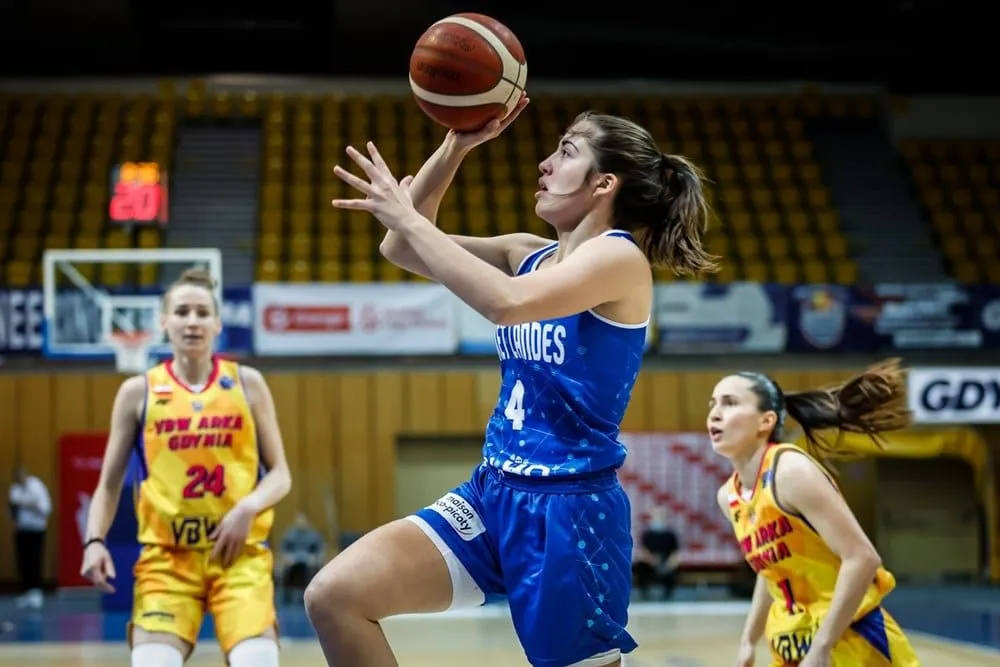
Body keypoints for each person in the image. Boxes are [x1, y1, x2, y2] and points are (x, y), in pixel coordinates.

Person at [304, 97, 720, 667]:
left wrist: (406, 214)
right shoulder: (526, 252)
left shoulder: (619, 259)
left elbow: (505, 303)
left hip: (568, 511)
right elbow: (400, 246)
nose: (545, 164)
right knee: (335, 595)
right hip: (491, 494)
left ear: (604, 184)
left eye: (566, 152)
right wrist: (455, 145)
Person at [79, 268, 292, 667]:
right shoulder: (138, 392)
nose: (192, 321)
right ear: (164, 321)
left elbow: (280, 474)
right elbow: (108, 486)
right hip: (168, 561)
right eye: (181, 312)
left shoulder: (247, 384)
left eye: (202, 312)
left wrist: (248, 506)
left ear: (218, 323)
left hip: (239, 558)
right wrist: (94, 542)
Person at [707, 360, 920, 667]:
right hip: (792, 643)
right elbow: (772, 572)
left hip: (851, 639)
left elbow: (862, 558)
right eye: (713, 403)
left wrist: (822, 646)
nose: (714, 413)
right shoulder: (729, 497)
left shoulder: (790, 471)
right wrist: (748, 641)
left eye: (730, 403)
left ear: (766, 421)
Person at [9, 465, 52, 610]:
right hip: (22, 529)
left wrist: (28, 504)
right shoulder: (15, 489)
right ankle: (26, 590)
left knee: (34, 560)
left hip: (36, 529)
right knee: (23, 561)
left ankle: (36, 591)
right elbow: (13, 506)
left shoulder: (36, 487)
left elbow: (46, 508)